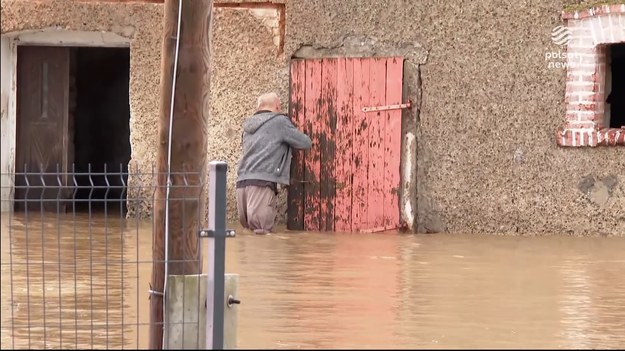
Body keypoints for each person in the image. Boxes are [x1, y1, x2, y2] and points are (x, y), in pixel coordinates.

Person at [236, 92, 312, 234]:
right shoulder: (279, 122)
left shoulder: (248, 127)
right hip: (261, 183)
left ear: (258, 107)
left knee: (248, 233)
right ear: (277, 106)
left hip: (242, 183)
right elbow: (305, 143)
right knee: (262, 233)